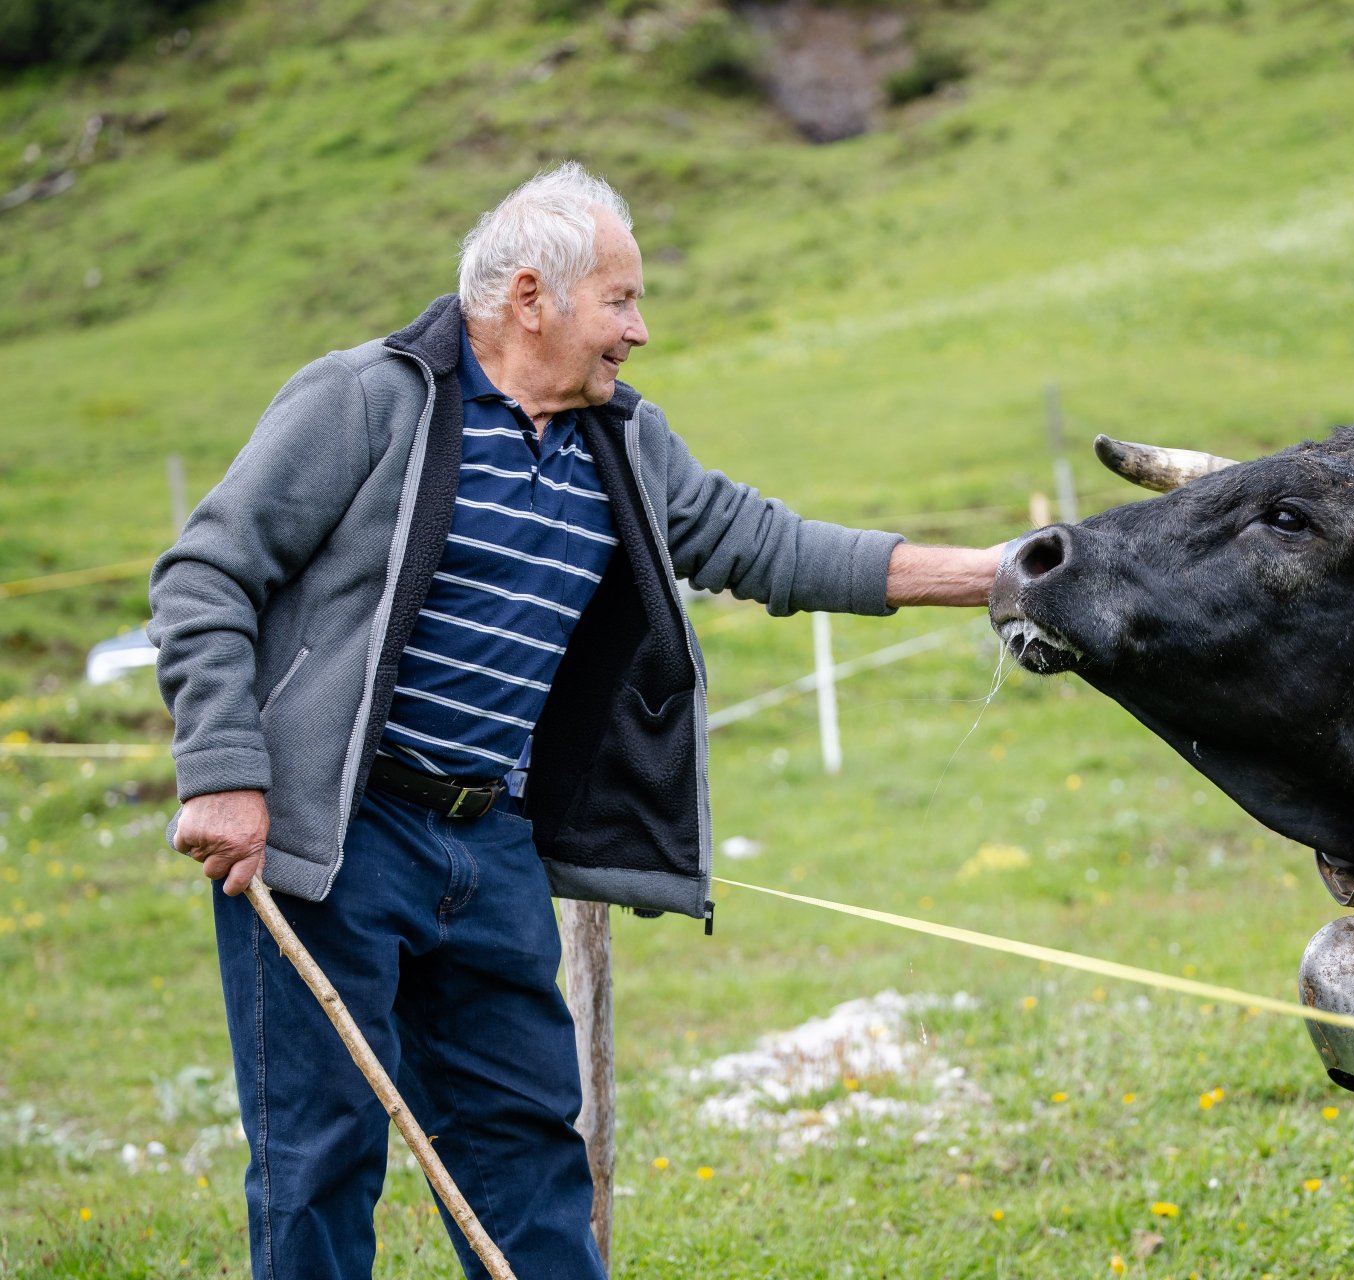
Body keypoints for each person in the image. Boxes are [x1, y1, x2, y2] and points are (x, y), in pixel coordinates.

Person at [148, 162, 1001, 1279]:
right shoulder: (365, 399)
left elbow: (773, 547)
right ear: (530, 297)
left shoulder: (627, 447)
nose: (639, 330)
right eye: (621, 299)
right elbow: (204, 575)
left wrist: (1001, 573)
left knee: (529, 1150)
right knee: (319, 1157)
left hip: (489, 843)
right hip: (334, 837)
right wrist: (223, 769)